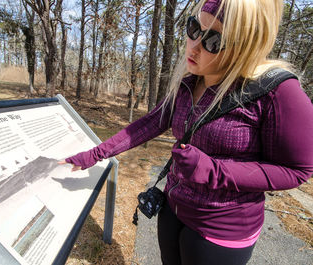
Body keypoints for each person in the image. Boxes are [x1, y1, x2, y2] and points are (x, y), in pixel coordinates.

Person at [60, 0, 313, 264]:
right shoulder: (192, 81)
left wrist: (214, 171)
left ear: (243, 47)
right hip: (173, 209)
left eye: (213, 41)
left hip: (221, 230)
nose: (193, 46)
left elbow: (297, 170)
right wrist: (95, 154)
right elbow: (151, 122)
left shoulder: (277, 92)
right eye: (194, 28)